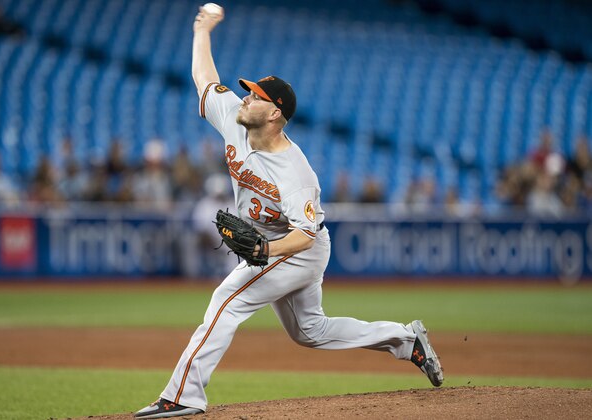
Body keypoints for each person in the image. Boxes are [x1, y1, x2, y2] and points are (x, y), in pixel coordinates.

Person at [134, 5, 444, 418]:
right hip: (277, 243)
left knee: (227, 298)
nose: (244, 98)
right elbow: (204, 79)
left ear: (275, 112)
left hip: (298, 247)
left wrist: (265, 251)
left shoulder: (296, 172)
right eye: (247, 92)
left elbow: (306, 234)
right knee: (309, 332)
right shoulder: (235, 120)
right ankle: (406, 341)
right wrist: (202, 31)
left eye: (255, 96)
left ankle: (183, 395)